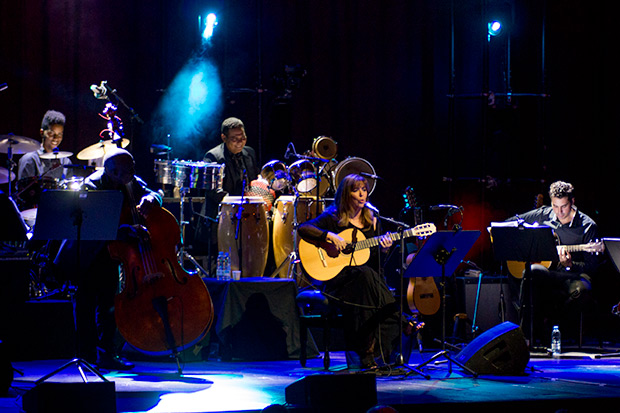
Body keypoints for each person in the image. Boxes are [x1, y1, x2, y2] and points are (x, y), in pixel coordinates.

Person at [54, 148, 162, 370]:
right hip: (88, 252)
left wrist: (152, 197)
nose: (132, 174)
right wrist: (126, 229)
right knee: (86, 303)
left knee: (108, 304)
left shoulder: (129, 179)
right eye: (127, 171)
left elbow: (156, 192)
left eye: (132, 169)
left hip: (112, 252)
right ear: (112, 171)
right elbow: (96, 224)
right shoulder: (92, 186)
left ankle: (107, 354)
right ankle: (86, 355)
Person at [297, 173, 400, 369]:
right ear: (345, 194)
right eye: (356, 190)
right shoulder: (332, 218)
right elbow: (304, 229)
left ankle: (373, 356)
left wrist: (385, 249)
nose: (362, 195)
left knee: (366, 277)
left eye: (364, 190)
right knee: (365, 277)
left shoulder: (373, 222)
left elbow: (375, 264)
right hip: (337, 281)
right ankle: (400, 319)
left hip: (363, 283)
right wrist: (329, 236)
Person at [506, 180, 600, 346]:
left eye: (563, 206)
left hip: (574, 274)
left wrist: (570, 264)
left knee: (581, 291)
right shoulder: (544, 214)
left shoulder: (587, 226)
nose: (559, 212)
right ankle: (525, 338)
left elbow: (592, 267)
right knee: (532, 270)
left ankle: (555, 333)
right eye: (555, 206)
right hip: (549, 272)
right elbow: (512, 222)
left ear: (572, 202)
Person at [195, 117, 260, 269]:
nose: (240, 142)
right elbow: (210, 189)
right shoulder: (213, 156)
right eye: (234, 139)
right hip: (220, 219)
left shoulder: (249, 153)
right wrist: (234, 202)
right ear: (223, 138)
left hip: (245, 218)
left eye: (243, 137)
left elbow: (253, 181)